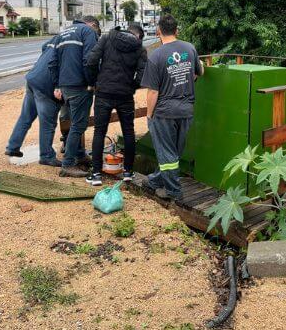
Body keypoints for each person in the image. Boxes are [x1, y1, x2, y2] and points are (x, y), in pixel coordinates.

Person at [140, 14, 203, 200]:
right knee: (173, 151)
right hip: (186, 110)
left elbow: (152, 92)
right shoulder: (190, 48)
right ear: (177, 30)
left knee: (166, 153)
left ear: (159, 31)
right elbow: (199, 72)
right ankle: (156, 180)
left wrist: (149, 115)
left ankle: (173, 191)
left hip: (164, 112)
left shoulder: (156, 55)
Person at [84, 22, 148, 186]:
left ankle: (96, 174)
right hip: (125, 95)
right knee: (128, 132)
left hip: (103, 93)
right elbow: (142, 76)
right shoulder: (140, 49)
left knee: (99, 132)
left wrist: (95, 81)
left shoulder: (107, 38)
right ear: (139, 36)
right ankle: (128, 172)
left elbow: (91, 61)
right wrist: (131, 86)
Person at [49, 15, 100, 177]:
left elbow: (52, 62)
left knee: (72, 123)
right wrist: (92, 82)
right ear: (92, 24)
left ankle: (79, 154)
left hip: (65, 86)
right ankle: (68, 164)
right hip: (80, 86)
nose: (96, 34)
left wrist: (57, 84)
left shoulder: (63, 33)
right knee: (79, 125)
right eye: (97, 31)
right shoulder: (87, 31)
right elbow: (89, 60)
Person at [5, 36, 63, 167]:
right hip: (45, 85)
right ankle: (46, 156)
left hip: (33, 78)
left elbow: (44, 47)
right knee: (48, 123)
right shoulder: (75, 43)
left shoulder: (58, 37)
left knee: (26, 117)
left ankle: (12, 147)